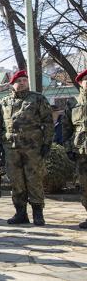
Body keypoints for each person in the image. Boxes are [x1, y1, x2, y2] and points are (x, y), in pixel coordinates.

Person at [0, 70, 53, 226]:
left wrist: (47, 143)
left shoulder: (38, 99)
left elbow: (48, 122)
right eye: (18, 81)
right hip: (11, 149)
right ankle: (20, 213)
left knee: (34, 180)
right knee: (16, 181)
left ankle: (38, 213)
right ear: (12, 84)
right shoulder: (4, 102)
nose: (21, 83)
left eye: (24, 80)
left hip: (33, 148)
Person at [63, 69, 87, 229]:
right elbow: (66, 128)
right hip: (81, 152)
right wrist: (68, 148)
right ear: (80, 83)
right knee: (85, 186)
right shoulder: (72, 103)